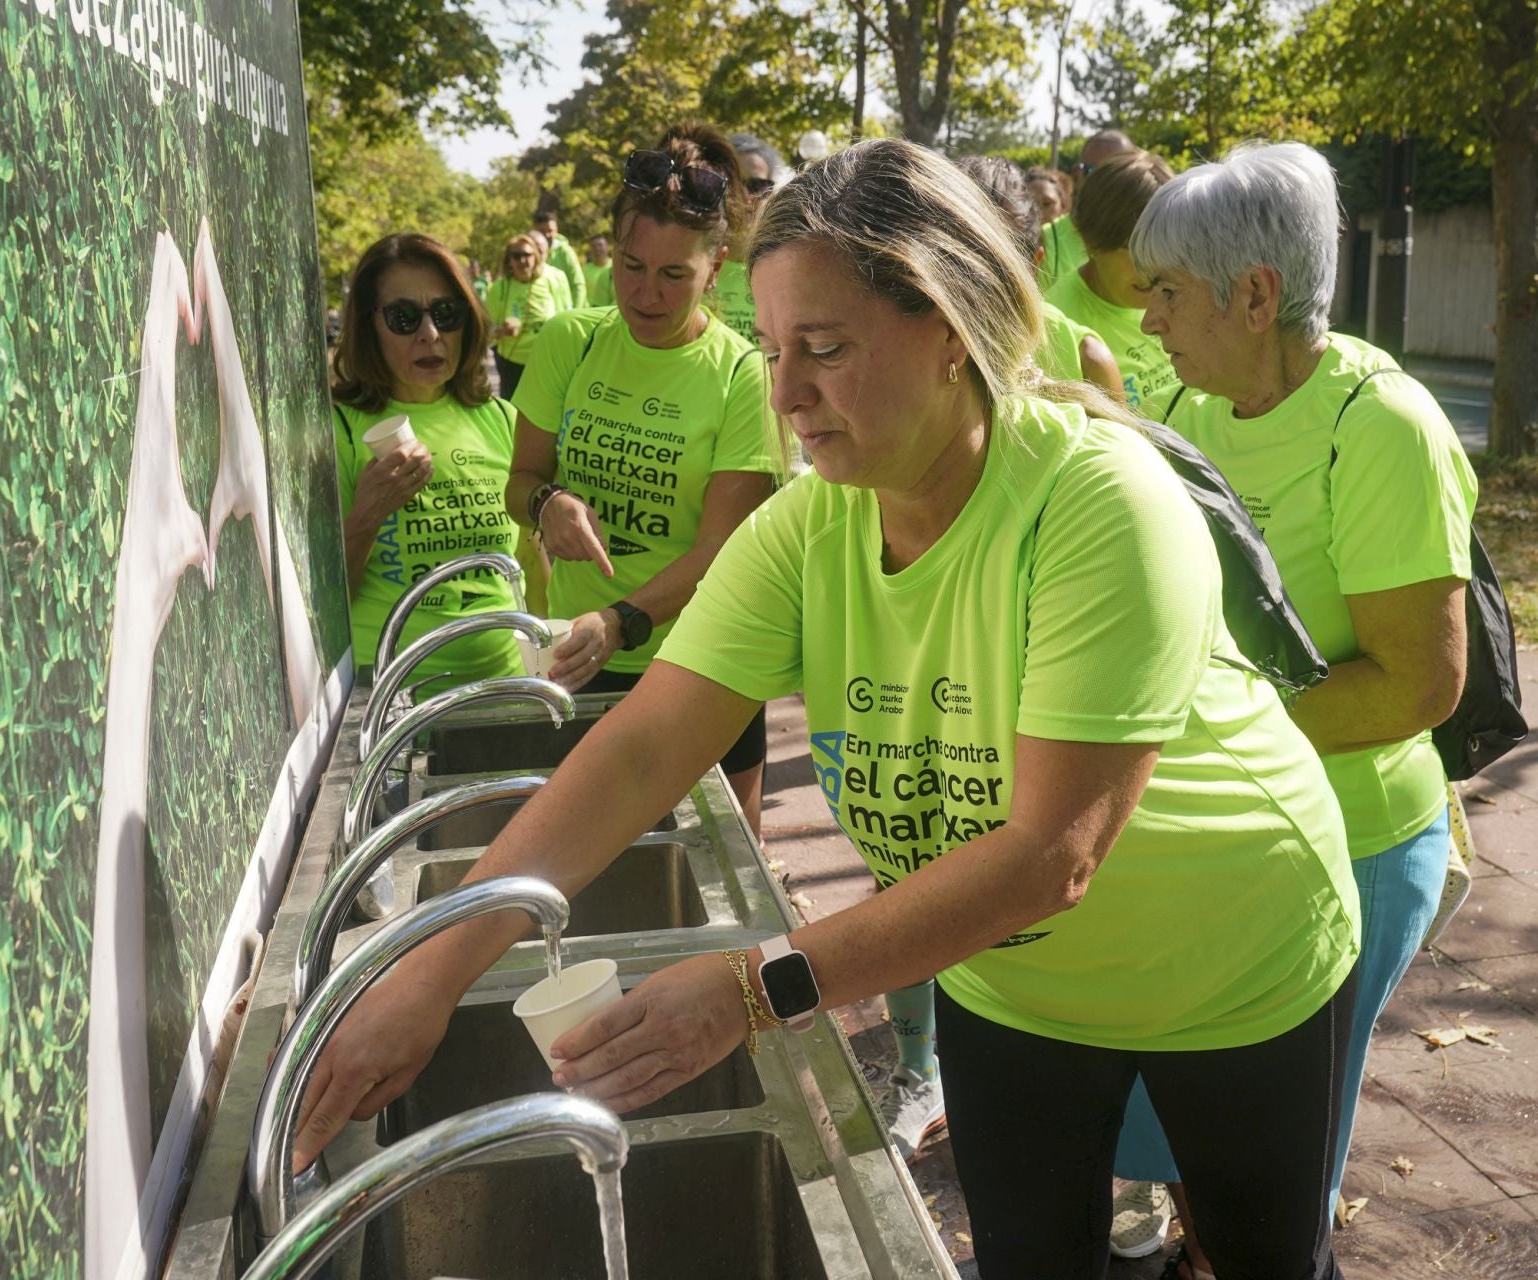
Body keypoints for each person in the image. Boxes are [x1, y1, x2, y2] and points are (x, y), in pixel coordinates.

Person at [292, 137, 1363, 1280]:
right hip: (1013, 974)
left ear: (951, 327)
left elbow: (1054, 851)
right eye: (769, 349)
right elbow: (646, 741)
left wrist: (755, 988)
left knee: (1258, 1259)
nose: (787, 392)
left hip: (1232, 949)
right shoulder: (814, 528)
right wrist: (429, 974)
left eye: (826, 347)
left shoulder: (1100, 499)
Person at [1108, 141, 1476, 1278]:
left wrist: (1203, 732)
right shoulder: (1184, 401)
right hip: (1226, 835)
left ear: (1255, 295)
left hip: (1347, 849)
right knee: (1182, 1121)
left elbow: (1420, 682)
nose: (1149, 314)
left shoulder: (1377, 429)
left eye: (1167, 290)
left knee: (1263, 1169)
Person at [503, 122, 781, 836]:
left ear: (716, 267)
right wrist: (548, 501)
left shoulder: (742, 374)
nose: (646, 294)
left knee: (726, 873)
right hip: (580, 660)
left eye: (673, 275)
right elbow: (522, 478)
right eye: (631, 266)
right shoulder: (573, 340)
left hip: (700, 665)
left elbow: (724, 548)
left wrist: (623, 621)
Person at [329, 233, 524, 692]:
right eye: (403, 318)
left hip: (504, 687)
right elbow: (320, 607)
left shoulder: (502, 419)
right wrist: (368, 514)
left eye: (446, 314)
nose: (430, 335)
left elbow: (530, 565)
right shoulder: (338, 428)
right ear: (368, 324)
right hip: (387, 697)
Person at [963, 155, 1124, 401]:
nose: (973, 274)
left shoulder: (1087, 359)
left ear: (1034, 265)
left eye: (996, 259)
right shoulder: (904, 348)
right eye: (956, 252)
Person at [1047, 149, 1180, 412]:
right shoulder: (1057, 332)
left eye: (1164, 248)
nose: (1152, 269)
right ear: (1091, 241)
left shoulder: (1189, 295)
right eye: (1133, 250)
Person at [1038, 128, 1137, 297]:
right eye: (1098, 173)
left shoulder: (1148, 242)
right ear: (1077, 175)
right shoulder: (1044, 243)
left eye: (1124, 174)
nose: (1112, 185)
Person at [710, 132, 788, 344]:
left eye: (757, 185)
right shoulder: (689, 269)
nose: (744, 195)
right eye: (732, 183)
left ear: (772, 193)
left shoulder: (790, 274)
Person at [485, 232, 573, 398]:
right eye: (516, 256)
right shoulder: (499, 288)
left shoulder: (555, 279)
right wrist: (503, 331)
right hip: (512, 363)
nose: (522, 261)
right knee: (513, 415)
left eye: (527, 255)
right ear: (509, 261)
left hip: (547, 362)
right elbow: (485, 333)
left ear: (536, 257)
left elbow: (568, 319)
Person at [533, 208, 588, 308]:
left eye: (550, 231)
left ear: (556, 230)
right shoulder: (528, 254)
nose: (547, 235)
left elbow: (578, 284)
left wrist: (574, 312)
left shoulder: (565, 251)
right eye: (542, 231)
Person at [584, 234, 615, 307]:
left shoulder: (615, 267)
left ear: (607, 247)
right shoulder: (584, 270)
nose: (597, 249)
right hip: (590, 311)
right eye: (594, 246)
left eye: (600, 245)